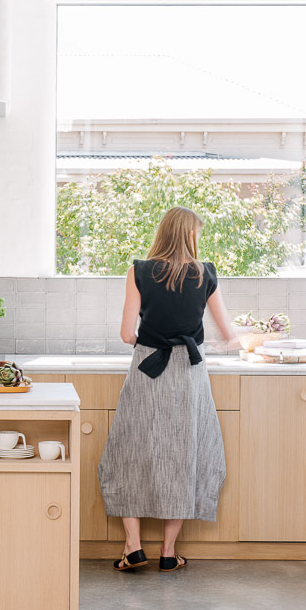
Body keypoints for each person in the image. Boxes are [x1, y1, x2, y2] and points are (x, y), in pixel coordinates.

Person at [97, 206, 239, 572]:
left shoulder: (139, 271)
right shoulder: (205, 273)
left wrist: (150, 340)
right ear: (190, 235)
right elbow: (229, 334)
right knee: (184, 455)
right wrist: (224, 342)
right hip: (189, 372)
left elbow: (126, 334)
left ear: (162, 232)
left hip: (147, 369)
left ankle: (133, 548)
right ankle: (168, 552)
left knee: (128, 453)